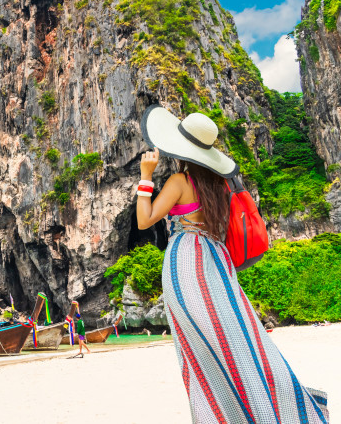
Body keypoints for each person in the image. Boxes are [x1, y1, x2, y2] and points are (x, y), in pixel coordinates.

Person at [138, 104, 328, 423]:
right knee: (238, 338)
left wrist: (146, 177)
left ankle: (221, 414)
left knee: (198, 350)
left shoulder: (179, 182)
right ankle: (271, 407)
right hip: (216, 263)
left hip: (186, 263)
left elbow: (145, 220)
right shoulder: (220, 186)